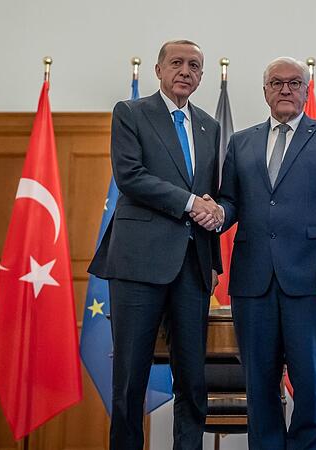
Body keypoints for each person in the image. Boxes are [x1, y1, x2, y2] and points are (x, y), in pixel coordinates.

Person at [208, 56, 316, 449]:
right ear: (265, 92)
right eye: (277, 83)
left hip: (311, 282)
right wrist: (212, 212)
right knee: (259, 387)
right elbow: (231, 202)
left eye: (294, 83)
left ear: (307, 91)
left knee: (310, 387)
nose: (286, 89)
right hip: (252, 284)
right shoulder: (241, 141)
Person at [88, 39, 224, 450]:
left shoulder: (209, 126)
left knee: (193, 380)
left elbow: (209, 195)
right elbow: (130, 176)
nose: (186, 71)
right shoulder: (130, 112)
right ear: (159, 70)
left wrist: (214, 260)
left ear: (201, 76)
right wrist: (189, 203)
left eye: (195, 66)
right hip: (137, 262)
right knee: (130, 378)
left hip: (193, 266)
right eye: (177, 63)